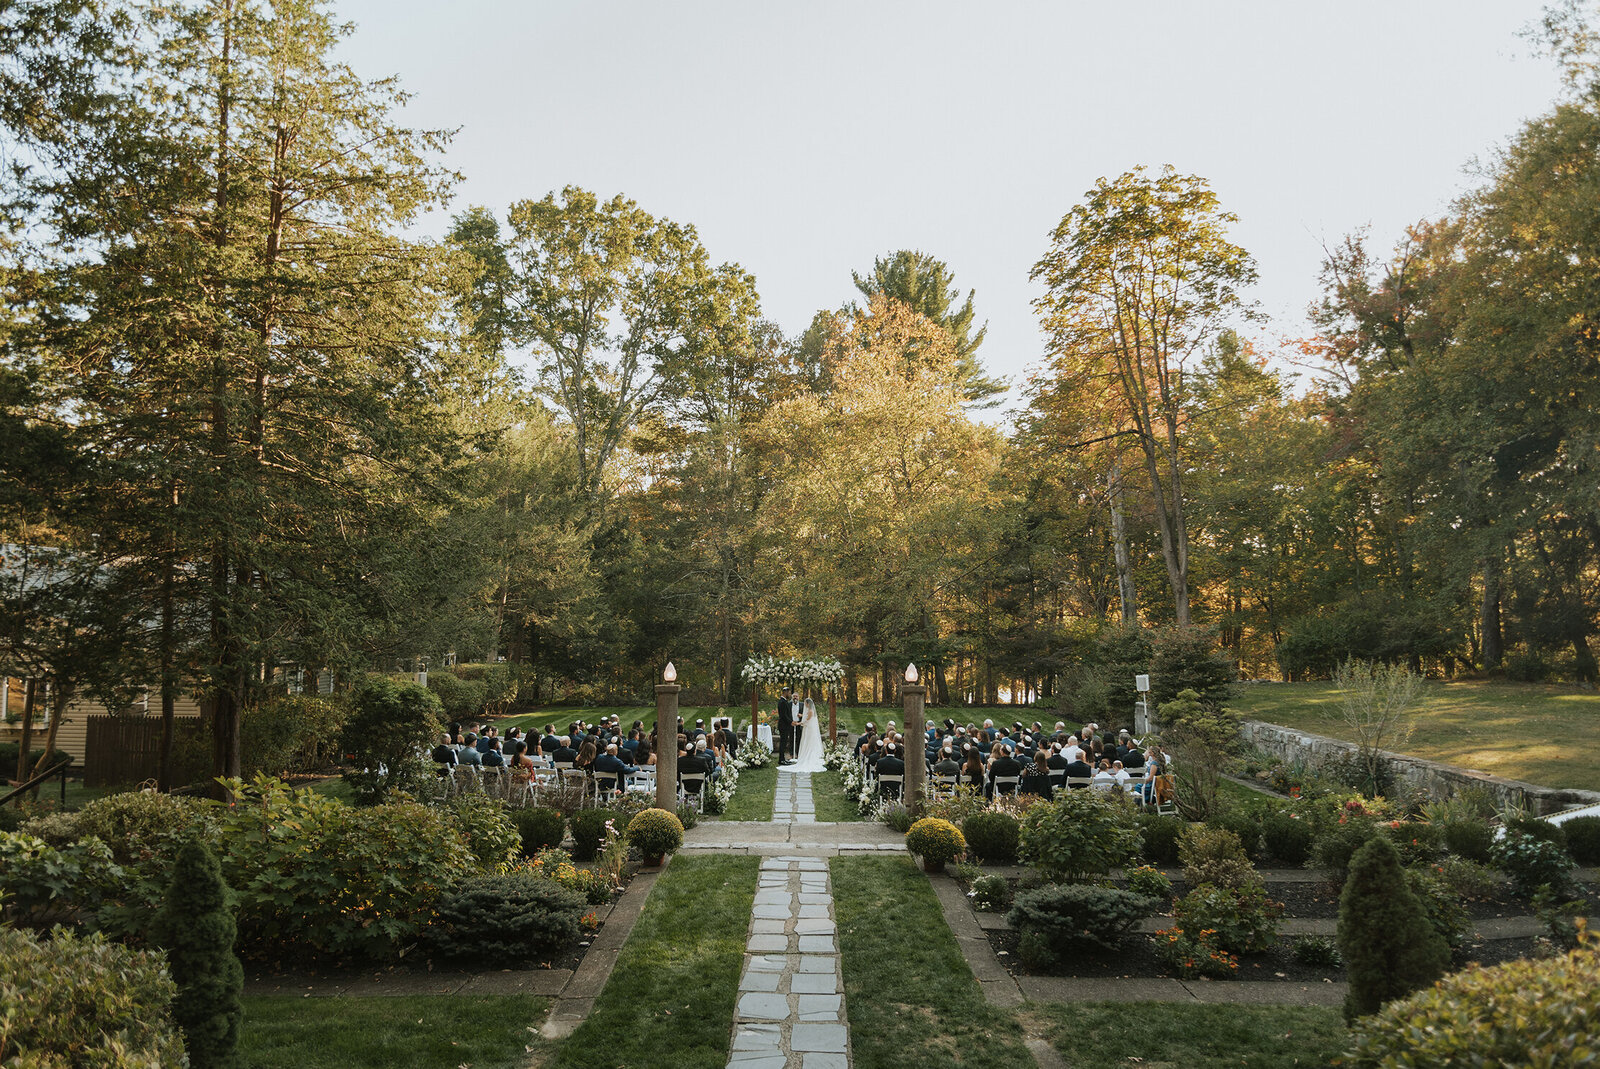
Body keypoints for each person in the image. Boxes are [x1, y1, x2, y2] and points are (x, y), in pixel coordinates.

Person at [790, 697, 827, 772]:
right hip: (808, 728)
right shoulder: (809, 711)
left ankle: (810, 756)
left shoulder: (810, 711)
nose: (804, 704)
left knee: (809, 742)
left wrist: (798, 723)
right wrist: (801, 716)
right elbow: (806, 717)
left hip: (809, 729)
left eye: (805, 703)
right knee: (807, 742)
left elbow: (806, 721)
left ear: (807, 704)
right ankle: (806, 754)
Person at [776, 687, 796, 765]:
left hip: (785, 725)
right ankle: (781, 760)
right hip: (783, 726)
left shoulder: (784, 701)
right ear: (785, 692)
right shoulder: (782, 702)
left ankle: (783, 758)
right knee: (783, 743)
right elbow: (783, 715)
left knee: (784, 743)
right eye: (789, 693)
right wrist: (791, 722)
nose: (790, 694)